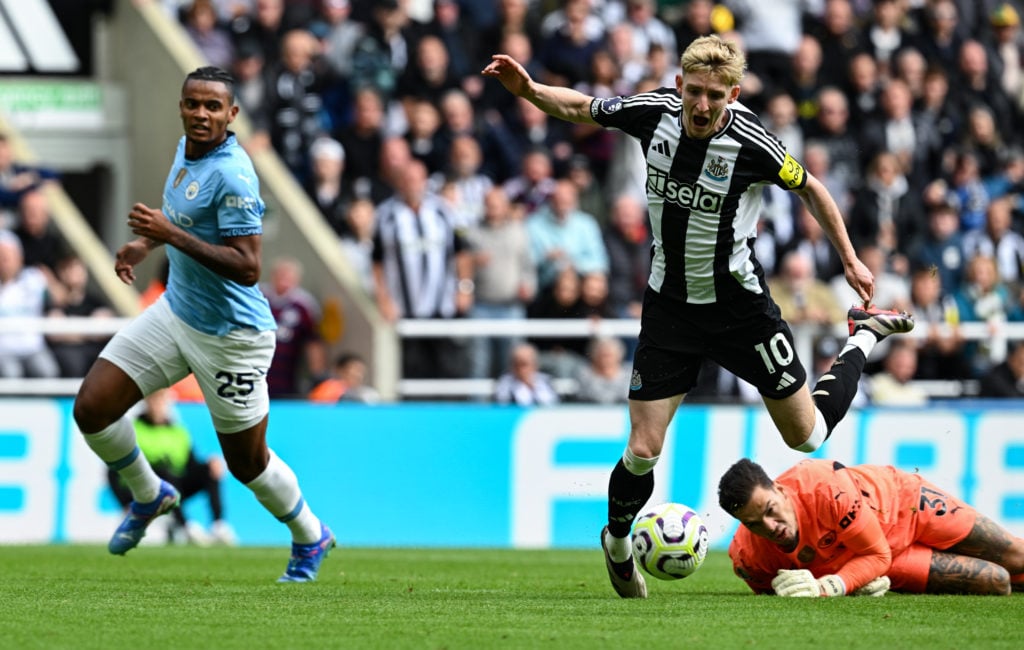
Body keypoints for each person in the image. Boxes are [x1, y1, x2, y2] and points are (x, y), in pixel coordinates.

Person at [483, 34, 915, 599]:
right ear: (680, 84)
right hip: (670, 308)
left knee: (808, 437)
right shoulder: (653, 112)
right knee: (642, 448)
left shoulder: (755, 144)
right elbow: (582, 106)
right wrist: (530, 89)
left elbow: (813, 191)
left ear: (733, 93)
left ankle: (861, 337)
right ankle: (616, 545)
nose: (702, 105)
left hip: (741, 310)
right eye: (694, 91)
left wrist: (851, 259)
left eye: (715, 95)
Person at [71, 67, 334, 583]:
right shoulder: (186, 148)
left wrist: (167, 232)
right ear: (182, 106)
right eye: (193, 103)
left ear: (231, 114)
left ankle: (310, 533)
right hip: (178, 311)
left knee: (247, 464)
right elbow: (182, 215)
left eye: (213, 107)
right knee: (93, 408)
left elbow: (247, 265)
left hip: (232, 336)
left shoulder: (234, 174)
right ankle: (150, 496)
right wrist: (148, 242)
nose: (201, 114)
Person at [718, 457, 1024, 596]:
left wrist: (832, 586)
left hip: (907, 507)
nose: (770, 527)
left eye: (771, 510)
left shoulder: (825, 488)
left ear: (781, 490)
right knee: (996, 581)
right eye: (753, 523)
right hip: (881, 560)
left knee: (1015, 557)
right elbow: (880, 560)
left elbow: (875, 555)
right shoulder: (749, 559)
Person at [107, 388, 237, 546]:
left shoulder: (178, 432)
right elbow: (113, 471)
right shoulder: (132, 430)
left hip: (174, 489)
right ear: (146, 402)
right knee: (163, 472)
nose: (158, 405)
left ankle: (218, 525)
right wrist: (124, 503)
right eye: (154, 400)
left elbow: (191, 465)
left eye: (162, 400)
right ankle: (185, 527)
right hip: (139, 491)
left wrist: (210, 465)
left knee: (209, 470)